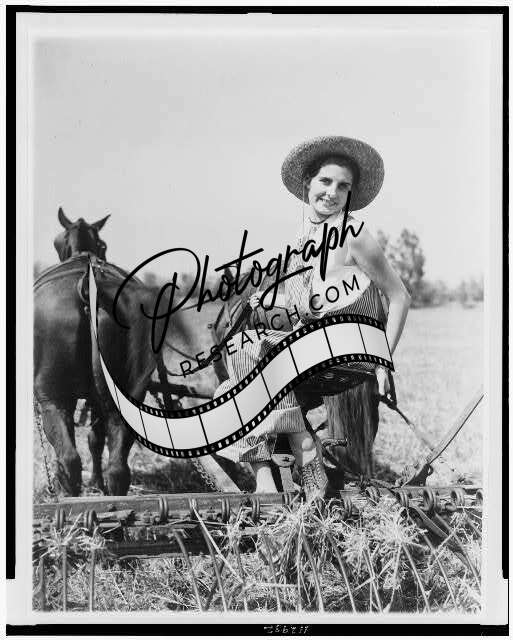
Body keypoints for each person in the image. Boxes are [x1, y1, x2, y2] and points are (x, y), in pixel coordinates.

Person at [214, 136, 411, 499]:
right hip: (315, 351)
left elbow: (400, 296)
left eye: (343, 186)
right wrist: (267, 302)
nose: (332, 192)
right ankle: (269, 479)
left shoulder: (353, 234)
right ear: (308, 183)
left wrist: (383, 360)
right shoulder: (305, 241)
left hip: (347, 354)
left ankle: (302, 448)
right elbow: (307, 308)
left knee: (253, 354)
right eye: (326, 181)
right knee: (240, 362)